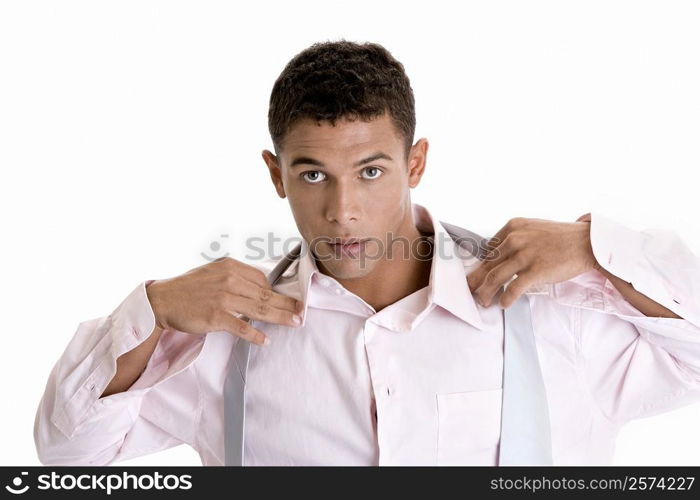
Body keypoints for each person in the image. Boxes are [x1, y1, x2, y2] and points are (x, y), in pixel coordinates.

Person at [34, 39, 700, 466]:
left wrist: (598, 245)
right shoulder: (223, 341)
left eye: (372, 171)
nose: (343, 209)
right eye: (314, 174)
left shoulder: (553, 310)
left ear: (417, 162)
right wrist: (149, 312)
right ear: (276, 175)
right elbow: (66, 456)